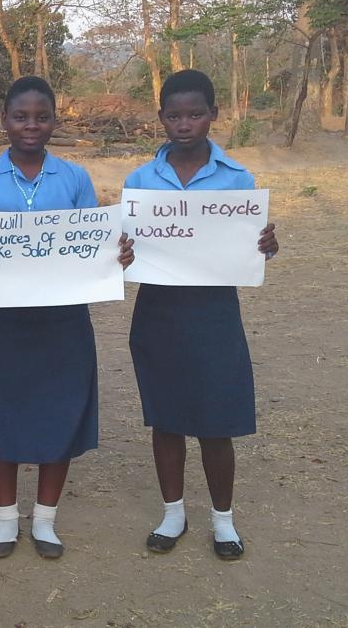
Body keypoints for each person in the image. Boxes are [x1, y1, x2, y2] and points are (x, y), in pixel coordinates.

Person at [0, 76, 134, 560]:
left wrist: (112, 256)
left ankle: (46, 520)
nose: (31, 126)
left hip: (64, 321)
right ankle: (6, 520)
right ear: (3, 120)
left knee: (62, 412)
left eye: (42, 116)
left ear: (55, 120)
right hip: (1, 321)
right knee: (1, 413)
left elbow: (88, 247)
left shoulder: (74, 178)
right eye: (20, 116)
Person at [124, 69, 278, 560]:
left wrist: (265, 246)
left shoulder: (238, 179)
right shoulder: (141, 181)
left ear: (214, 114)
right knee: (166, 418)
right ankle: (173, 514)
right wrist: (122, 251)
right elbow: (126, 245)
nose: (184, 123)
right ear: (161, 119)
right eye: (174, 115)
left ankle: (223, 521)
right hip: (158, 311)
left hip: (214, 313)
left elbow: (247, 247)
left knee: (217, 419)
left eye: (195, 114)